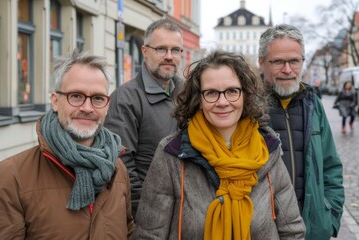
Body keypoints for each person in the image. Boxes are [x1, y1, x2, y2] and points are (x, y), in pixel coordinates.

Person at [134, 50, 306, 239]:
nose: (222, 102)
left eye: (232, 91)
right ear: (198, 100)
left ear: (245, 95)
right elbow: (149, 235)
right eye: (211, 93)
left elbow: (292, 231)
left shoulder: (267, 149)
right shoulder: (172, 154)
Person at [0, 50, 135, 239]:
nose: (87, 108)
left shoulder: (118, 169)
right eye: (76, 96)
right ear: (55, 101)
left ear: (107, 106)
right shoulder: (12, 176)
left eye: (97, 98)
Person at [258, 24, 344, 239]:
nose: (287, 70)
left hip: (311, 228)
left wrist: (330, 216)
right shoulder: (246, 106)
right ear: (262, 63)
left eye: (294, 61)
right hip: (263, 229)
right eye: (278, 61)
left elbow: (331, 165)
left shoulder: (313, 103)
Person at [104, 19, 184, 216]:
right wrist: (147, 214)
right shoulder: (125, 98)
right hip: (152, 214)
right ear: (145, 51)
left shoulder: (187, 93)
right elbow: (122, 166)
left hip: (187, 210)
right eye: (161, 49)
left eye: (175, 50)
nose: (169, 56)